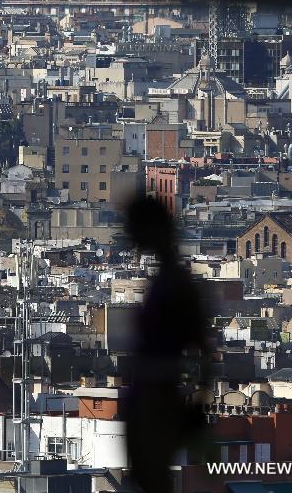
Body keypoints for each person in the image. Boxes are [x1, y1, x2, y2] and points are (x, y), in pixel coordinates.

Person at [123, 196, 212, 492]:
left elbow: (203, 351)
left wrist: (195, 405)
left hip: (156, 399)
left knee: (153, 479)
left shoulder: (176, 284)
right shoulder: (170, 280)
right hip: (152, 397)